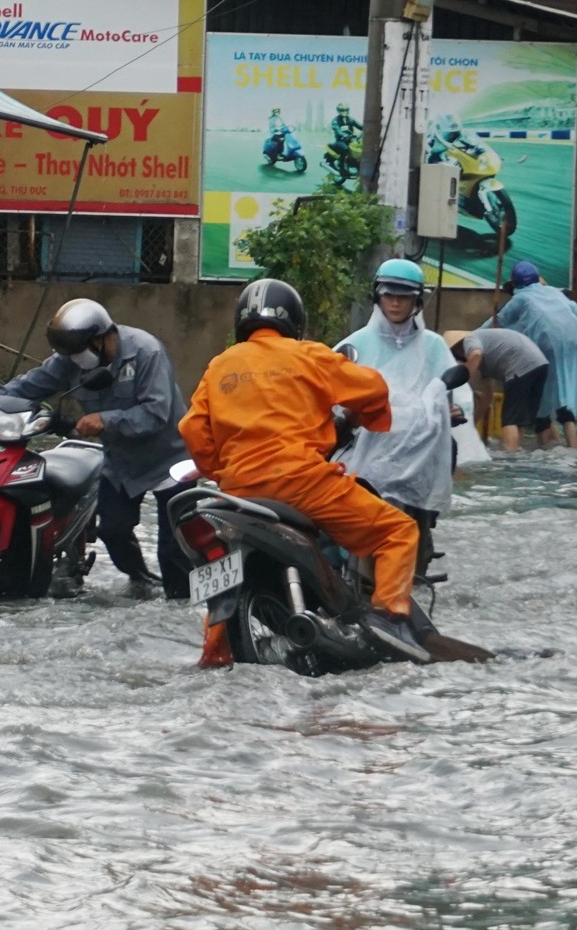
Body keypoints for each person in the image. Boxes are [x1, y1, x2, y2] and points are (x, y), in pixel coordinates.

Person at [179, 278, 428, 663]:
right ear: (294, 320)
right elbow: (374, 388)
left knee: (225, 566)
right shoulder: (308, 356)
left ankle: (215, 651)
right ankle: (390, 620)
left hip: (238, 493)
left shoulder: (220, 365)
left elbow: (192, 430)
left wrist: (223, 472)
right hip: (302, 483)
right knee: (397, 531)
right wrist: (365, 414)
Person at [0, 299, 193, 598]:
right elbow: (29, 385)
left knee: (173, 546)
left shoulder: (146, 352)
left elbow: (156, 412)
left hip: (170, 459)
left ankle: (182, 603)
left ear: (100, 339)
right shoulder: (70, 360)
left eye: (78, 351)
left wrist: (105, 419)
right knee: (112, 530)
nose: (74, 359)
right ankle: (141, 580)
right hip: (120, 460)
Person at [332, 259, 465, 579]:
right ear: (377, 297)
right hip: (365, 449)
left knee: (448, 446)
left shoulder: (433, 346)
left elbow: (454, 393)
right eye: (389, 295)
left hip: (418, 452)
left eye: (403, 297)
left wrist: (454, 410)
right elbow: (329, 390)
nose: (395, 302)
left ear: (417, 301)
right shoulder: (355, 344)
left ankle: (424, 526)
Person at [486, 260, 577, 448]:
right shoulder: (555, 292)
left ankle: (543, 445)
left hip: (546, 342)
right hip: (574, 342)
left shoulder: (521, 298)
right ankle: (572, 447)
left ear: (515, 284)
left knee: (543, 392)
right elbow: (575, 309)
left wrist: (472, 335)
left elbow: (498, 322)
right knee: (565, 392)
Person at [450, 326, 549, 452]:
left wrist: (462, 381)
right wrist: (471, 425)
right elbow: (487, 397)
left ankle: (509, 457)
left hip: (520, 364)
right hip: (540, 364)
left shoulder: (470, 339)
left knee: (510, 419)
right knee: (519, 419)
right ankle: (516, 453)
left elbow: (476, 354)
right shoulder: (486, 358)